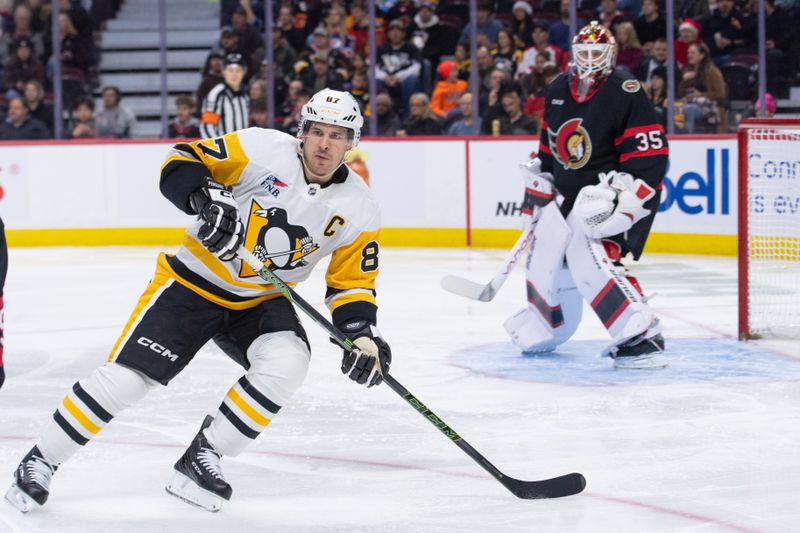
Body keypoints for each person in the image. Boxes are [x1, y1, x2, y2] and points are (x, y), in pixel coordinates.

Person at [5, 88, 391, 514]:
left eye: (336, 135)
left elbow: (351, 283)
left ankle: (202, 456)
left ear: (352, 142)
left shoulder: (360, 206)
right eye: (316, 131)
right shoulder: (262, 148)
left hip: (261, 299)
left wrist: (360, 334)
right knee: (128, 379)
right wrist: (204, 199)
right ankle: (41, 459)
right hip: (193, 284)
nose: (323, 143)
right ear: (301, 132)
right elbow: (181, 160)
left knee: (289, 362)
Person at [505, 21, 669, 369]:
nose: (591, 60)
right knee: (546, 253)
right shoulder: (557, 88)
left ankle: (642, 333)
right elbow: (549, 149)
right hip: (568, 194)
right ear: (574, 56)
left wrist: (629, 197)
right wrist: (539, 180)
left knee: (591, 255)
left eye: (598, 53)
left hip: (609, 196)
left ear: (610, 56)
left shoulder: (625, 89)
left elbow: (650, 155)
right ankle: (548, 322)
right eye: (584, 53)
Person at [200, 53, 249, 138]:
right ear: (223, 72)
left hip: (242, 148)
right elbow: (207, 127)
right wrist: (218, 149)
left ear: (243, 72)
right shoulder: (215, 95)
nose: (234, 74)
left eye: (238, 70)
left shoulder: (245, 95)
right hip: (224, 148)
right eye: (230, 70)